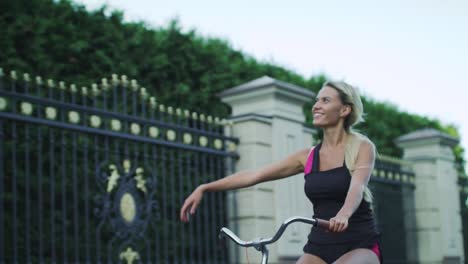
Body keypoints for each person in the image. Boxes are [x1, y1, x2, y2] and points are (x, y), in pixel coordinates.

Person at [180, 81, 382, 264]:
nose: (316, 106)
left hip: (358, 241)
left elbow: (357, 186)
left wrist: (344, 215)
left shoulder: (362, 147)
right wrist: (205, 187)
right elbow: (255, 175)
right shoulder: (308, 156)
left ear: (344, 109)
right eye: (317, 100)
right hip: (320, 245)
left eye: (325, 100)